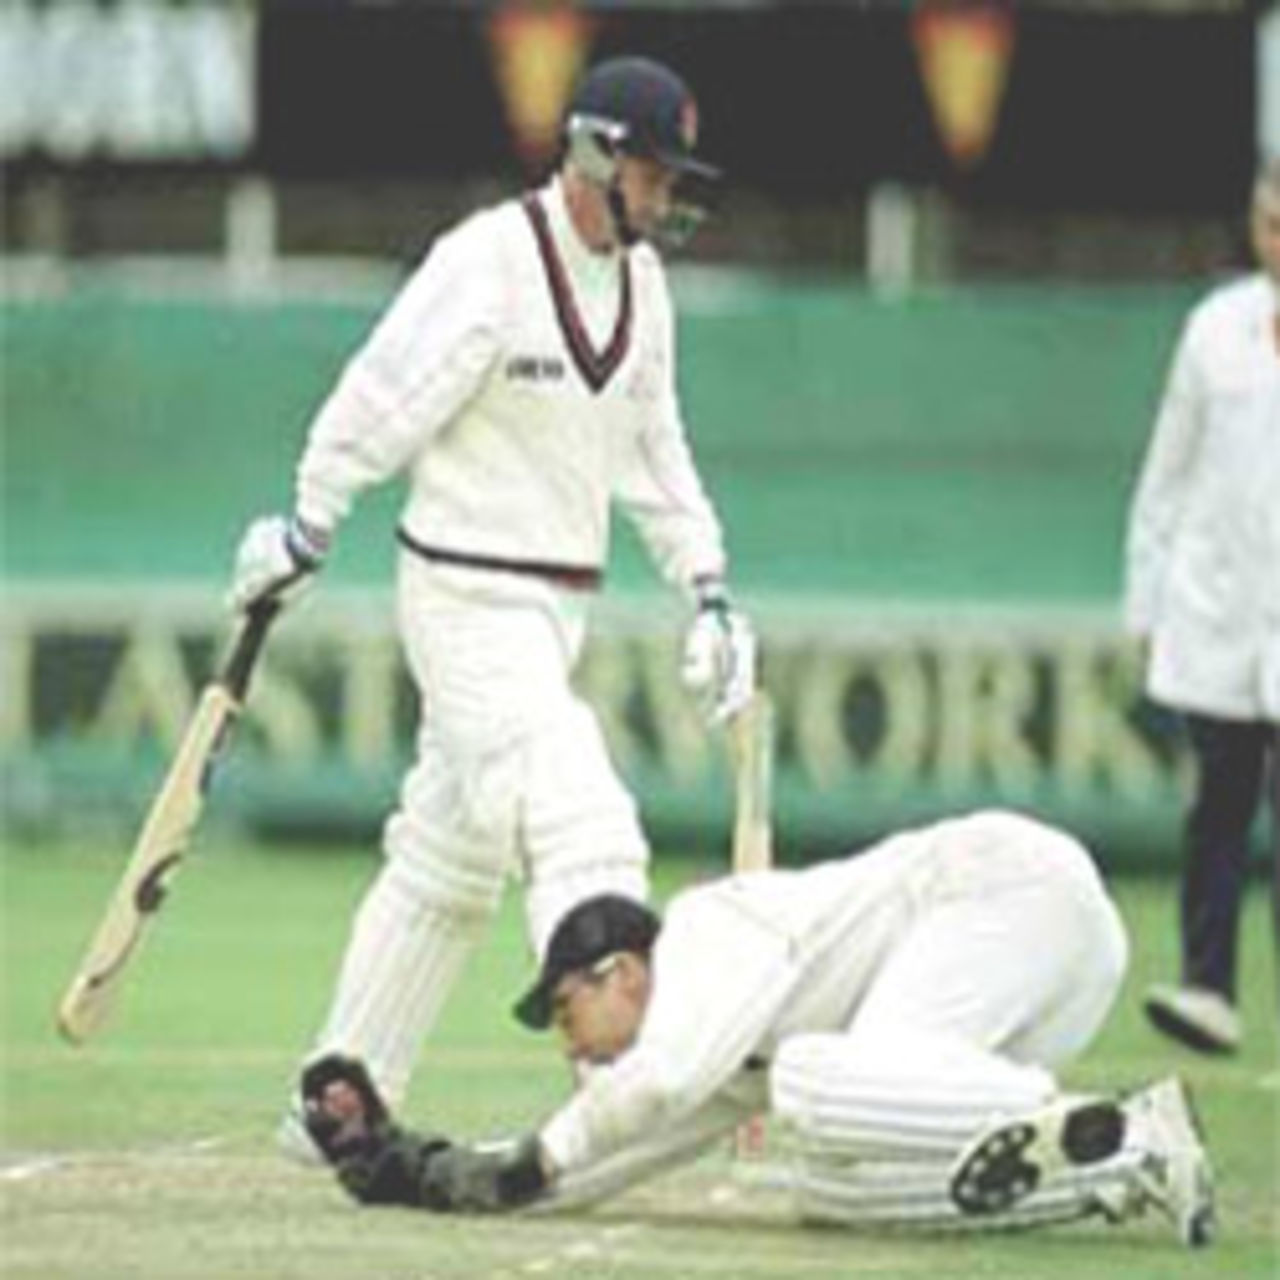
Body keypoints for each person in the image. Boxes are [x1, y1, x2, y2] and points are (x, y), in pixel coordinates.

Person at [227, 57, 756, 1140]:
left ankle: (333, 1094)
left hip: (552, 611)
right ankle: (616, 1090)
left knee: (450, 857)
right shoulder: (488, 261)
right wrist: (309, 519)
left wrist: (707, 589)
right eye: (650, 174)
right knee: (580, 807)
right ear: (593, 154)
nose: (662, 199)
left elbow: (657, 456)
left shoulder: (643, 288)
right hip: (462, 598)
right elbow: (385, 392)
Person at [300, 810, 1215, 1247]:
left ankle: (1123, 1122)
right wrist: (409, 1167)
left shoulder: (707, 929)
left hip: (1005, 887)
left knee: (816, 1080)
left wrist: (536, 1156)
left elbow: (646, 1089)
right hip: (1037, 983)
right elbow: (592, 1167)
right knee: (836, 1187)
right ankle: (1112, 1163)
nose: (570, 1045)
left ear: (621, 973)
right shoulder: (713, 1050)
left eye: (568, 1010)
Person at [1123, 157, 1280, 1055]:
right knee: (1217, 812)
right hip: (1218, 617)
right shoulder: (1214, 332)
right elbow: (1166, 480)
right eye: (1268, 222)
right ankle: (1207, 987)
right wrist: (1145, 612)